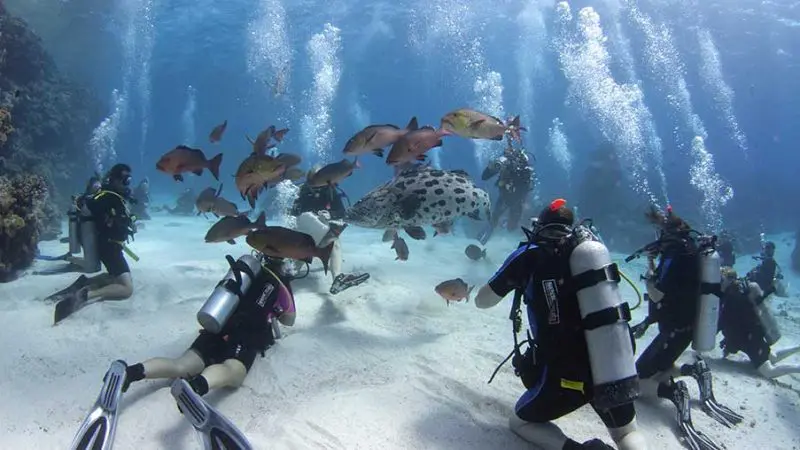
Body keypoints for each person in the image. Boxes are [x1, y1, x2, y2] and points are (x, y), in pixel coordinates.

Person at [69, 253, 294, 450]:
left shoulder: (242, 273)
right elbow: (289, 319)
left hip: (217, 326)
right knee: (233, 371)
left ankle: (130, 372)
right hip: (245, 336)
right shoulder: (280, 284)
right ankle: (196, 388)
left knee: (181, 366)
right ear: (283, 264)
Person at [474, 199, 646, 450]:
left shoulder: (529, 254)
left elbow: (484, 301)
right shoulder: (592, 252)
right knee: (626, 432)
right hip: (612, 363)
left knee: (519, 423)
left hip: (567, 373)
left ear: (539, 225)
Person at [630, 205, 742, 450]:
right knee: (661, 365)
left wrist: (649, 276)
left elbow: (659, 295)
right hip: (684, 326)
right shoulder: (689, 248)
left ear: (664, 231)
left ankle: (674, 393)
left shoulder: (675, 254)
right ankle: (694, 369)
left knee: (637, 381)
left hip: (676, 328)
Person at [50, 164, 138, 323]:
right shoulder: (107, 197)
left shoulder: (113, 196)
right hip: (109, 248)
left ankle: (84, 283)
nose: (127, 184)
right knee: (126, 289)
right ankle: (84, 296)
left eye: (129, 180)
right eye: (125, 180)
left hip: (113, 246)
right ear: (115, 180)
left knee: (114, 278)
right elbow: (92, 206)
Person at [719, 267, 800, 378]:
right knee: (772, 358)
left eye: (721, 280)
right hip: (754, 336)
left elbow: (729, 322)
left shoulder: (734, 296)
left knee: (768, 371)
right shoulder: (738, 291)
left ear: (730, 280)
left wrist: (728, 340)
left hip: (751, 340)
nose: (719, 283)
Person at [291, 185, 369, 295]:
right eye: (315, 184)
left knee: (335, 242)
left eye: (321, 185)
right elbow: (292, 215)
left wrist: (330, 214)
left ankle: (337, 279)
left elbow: (342, 212)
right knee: (293, 270)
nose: (317, 189)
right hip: (304, 236)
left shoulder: (330, 192)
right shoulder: (303, 191)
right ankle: (287, 273)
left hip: (323, 232)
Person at [478, 139, 534, 244]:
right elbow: (484, 177)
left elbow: (526, 188)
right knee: (495, 220)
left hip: (515, 200)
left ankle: (502, 230)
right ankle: (484, 239)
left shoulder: (523, 169)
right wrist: (490, 168)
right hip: (505, 197)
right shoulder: (504, 165)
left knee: (510, 227)